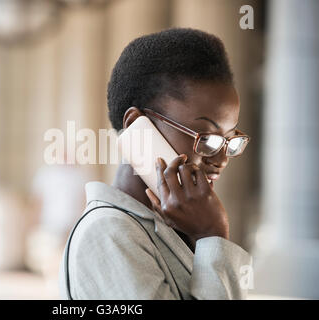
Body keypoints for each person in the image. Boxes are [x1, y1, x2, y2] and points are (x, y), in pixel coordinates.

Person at [59, 28, 253, 299]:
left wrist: (206, 239)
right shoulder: (109, 233)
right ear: (136, 126)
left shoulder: (179, 228)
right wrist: (214, 235)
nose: (221, 159)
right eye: (206, 138)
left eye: (229, 140)